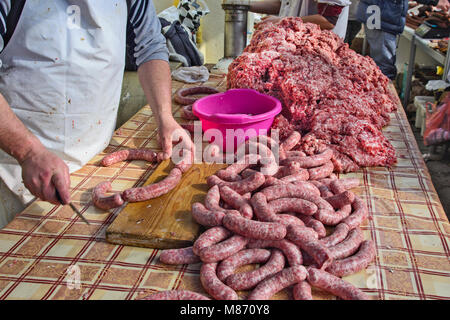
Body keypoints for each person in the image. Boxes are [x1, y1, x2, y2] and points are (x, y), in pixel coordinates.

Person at [0, 1, 193, 228]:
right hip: (14, 167)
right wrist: (28, 151)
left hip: (94, 160)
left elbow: (150, 48)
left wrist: (165, 118)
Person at [357, 0, 450, 80]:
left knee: (381, 66)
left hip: (379, 14)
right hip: (381, 16)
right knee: (383, 69)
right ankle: (382, 97)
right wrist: (436, 1)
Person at [249, 0, 352, 39]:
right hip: (290, 45)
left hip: (317, 53)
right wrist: (244, 5)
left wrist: (282, 21)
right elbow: (283, 4)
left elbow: (328, 21)